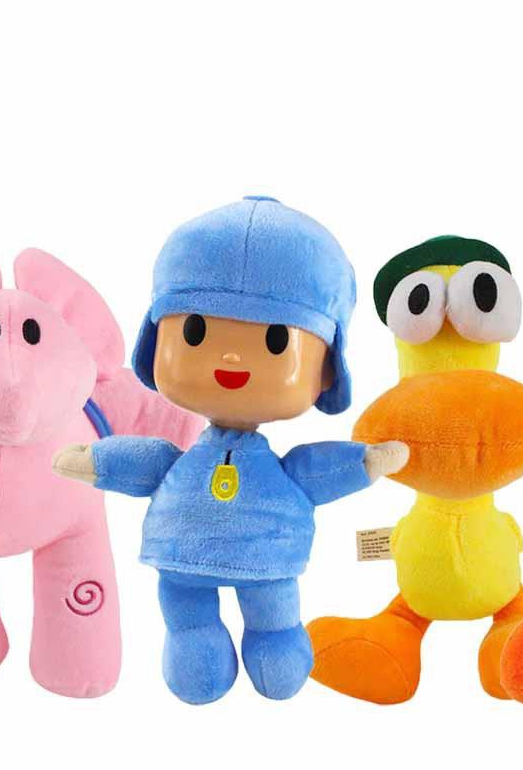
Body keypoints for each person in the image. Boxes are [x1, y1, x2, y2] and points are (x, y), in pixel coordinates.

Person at [53, 197, 407, 703]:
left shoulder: (276, 467)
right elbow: (150, 463)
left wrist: (365, 461)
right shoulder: (184, 457)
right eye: (196, 331)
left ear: (327, 370)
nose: (233, 358)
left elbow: (313, 470)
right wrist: (97, 460)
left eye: (276, 339)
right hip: (190, 562)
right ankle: (197, 644)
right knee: (188, 619)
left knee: (274, 616)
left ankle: (275, 641)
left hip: (265, 564)